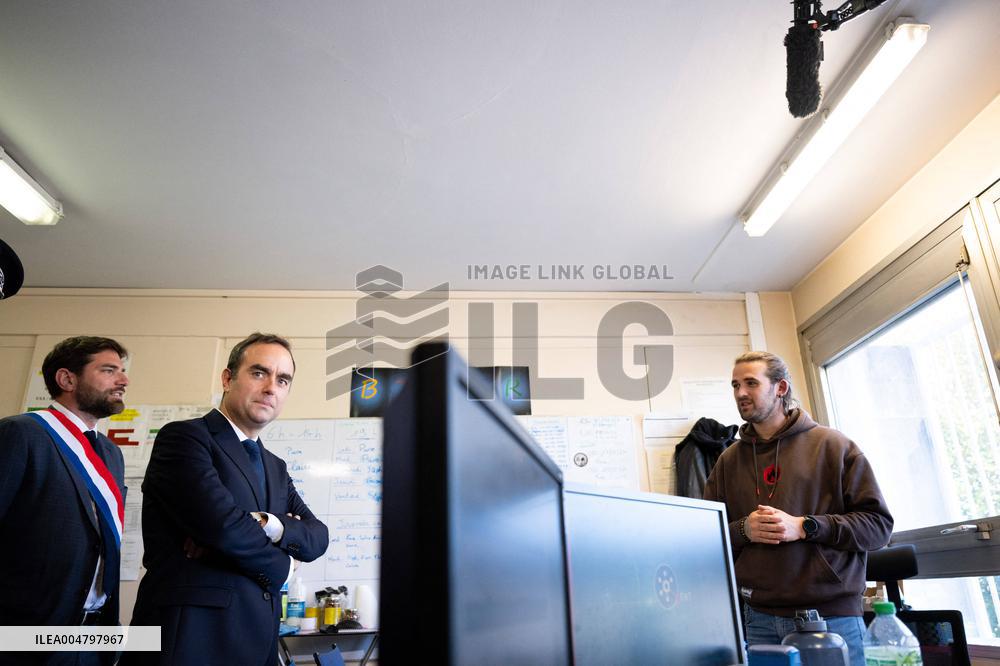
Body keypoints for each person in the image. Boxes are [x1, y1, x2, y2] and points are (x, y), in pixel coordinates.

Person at [126, 333, 329, 666]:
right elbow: (223, 527)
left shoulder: (275, 466)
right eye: (259, 373)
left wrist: (269, 523)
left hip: (259, 638)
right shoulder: (186, 438)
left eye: (283, 380)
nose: (271, 388)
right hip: (192, 639)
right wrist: (286, 564)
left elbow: (317, 536)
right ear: (227, 378)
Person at [704, 351, 893, 666]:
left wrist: (806, 526)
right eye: (735, 385)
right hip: (758, 620)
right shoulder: (728, 461)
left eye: (751, 383)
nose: (740, 393)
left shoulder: (833, 446)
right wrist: (743, 530)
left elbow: (878, 527)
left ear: (780, 388)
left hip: (830, 619)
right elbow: (704, 536)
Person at [0, 336, 130, 665]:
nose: (123, 380)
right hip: (25, 637)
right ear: (67, 379)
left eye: (123, 371)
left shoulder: (111, 453)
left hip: (93, 638)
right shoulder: (21, 433)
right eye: (109, 370)